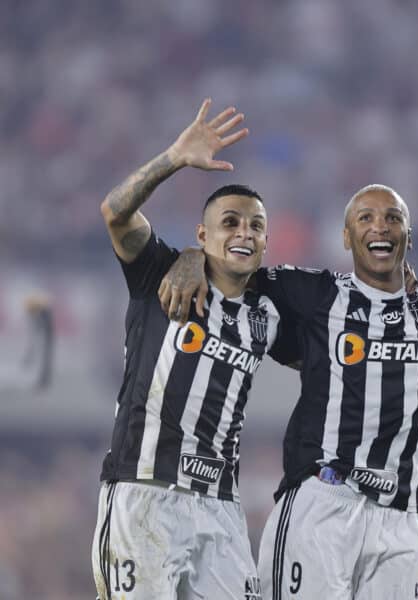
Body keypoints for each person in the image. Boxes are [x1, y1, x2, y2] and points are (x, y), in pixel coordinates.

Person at [161, 183, 418, 599]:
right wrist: (191, 257)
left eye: (393, 217)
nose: (380, 226)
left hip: (399, 520)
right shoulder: (317, 293)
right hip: (322, 503)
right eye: (365, 218)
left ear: (409, 234)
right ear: (346, 237)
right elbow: (231, 264)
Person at [92, 98, 292, 600]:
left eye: (255, 226)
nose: (243, 232)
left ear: (266, 243)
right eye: (230, 222)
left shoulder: (269, 312)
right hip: (144, 494)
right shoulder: (158, 273)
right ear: (203, 235)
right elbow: (115, 213)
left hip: (220, 505)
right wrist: (174, 159)